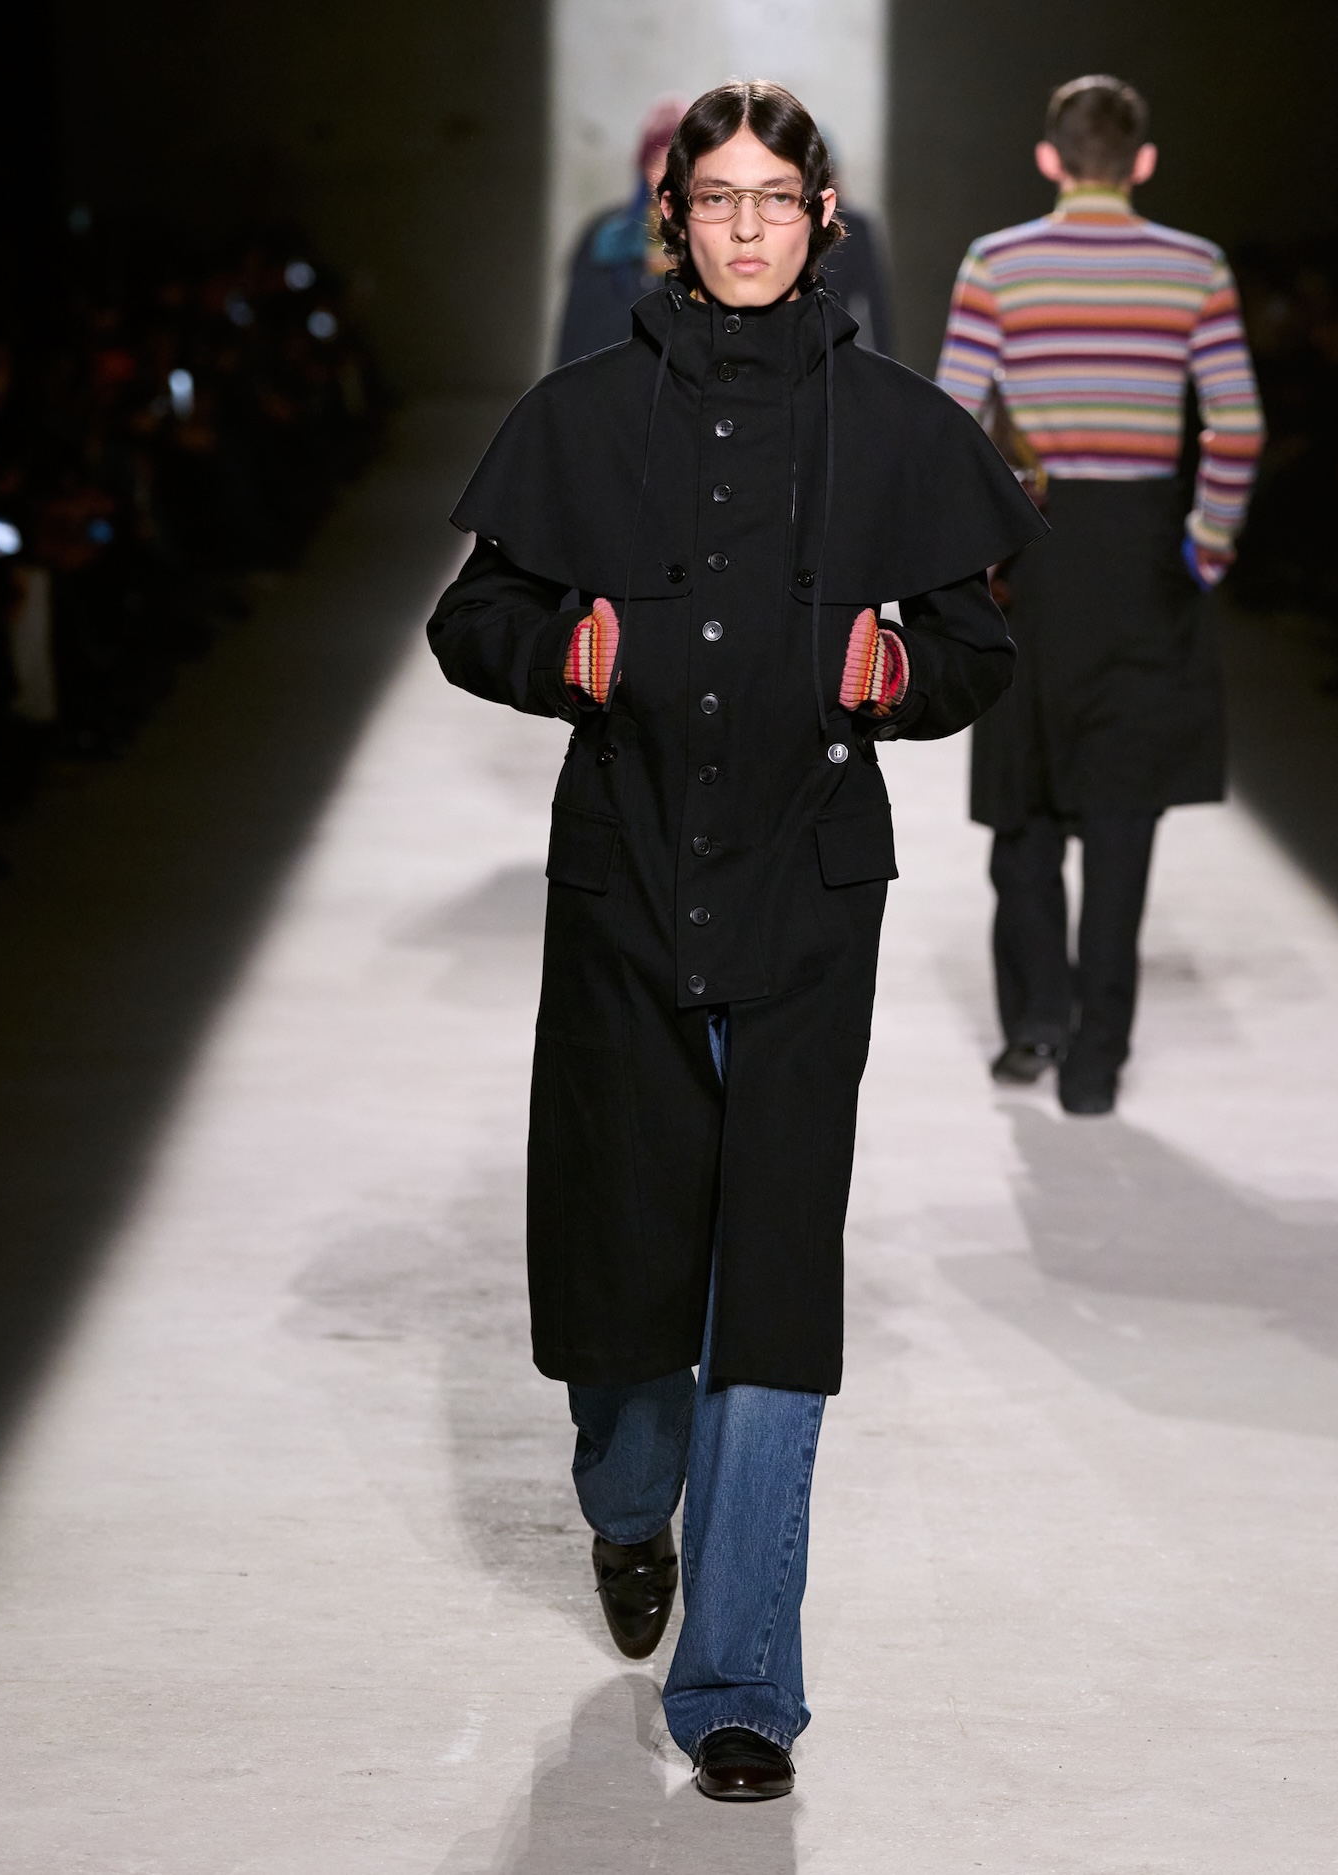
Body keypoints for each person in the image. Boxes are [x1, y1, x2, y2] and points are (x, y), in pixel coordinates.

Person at [428, 82, 1043, 1800]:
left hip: (807, 893)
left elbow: (978, 648)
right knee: (630, 1269)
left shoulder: (901, 427)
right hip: (624, 883)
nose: (750, 226)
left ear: (824, 219)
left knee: (770, 1279)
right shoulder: (582, 414)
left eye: (778, 197)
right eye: (720, 199)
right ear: (675, 219)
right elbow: (474, 615)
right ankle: (630, 1503)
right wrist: (563, 652)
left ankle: (743, 1685)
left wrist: (902, 673)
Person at [936, 74, 1265, 1115]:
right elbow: (1238, 422)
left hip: (1035, 556)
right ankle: (1097, 1059)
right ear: (1143, 163)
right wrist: (1206, 546)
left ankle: (1036, 1021)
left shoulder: (998, 263)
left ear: (1050, 159)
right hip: (1143, 560)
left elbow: (954, 421)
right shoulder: (1195, 267)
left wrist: (974, 558)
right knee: (1122, 817)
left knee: (1024, 804)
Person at [555, 97, 689, 367]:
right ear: (643, 167)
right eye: (656, 162)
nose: (666, 176)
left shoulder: (713, 238)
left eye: (676, 165)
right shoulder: (605, 236)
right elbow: (577, 333)